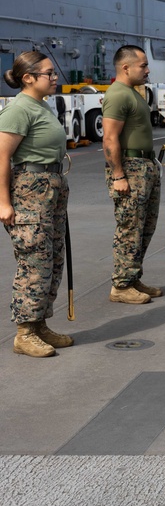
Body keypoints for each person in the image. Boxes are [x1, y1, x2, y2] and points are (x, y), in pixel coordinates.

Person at [0, 51, 72, 356]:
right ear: (28, 78)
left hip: (51, 188)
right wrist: (4, 203)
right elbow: (2, 157)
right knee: (34, 261)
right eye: (48, 73)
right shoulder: (18, 109)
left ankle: (40, 323)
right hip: (31, 190)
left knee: (53, 258)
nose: (54, 78)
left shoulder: (40, 106)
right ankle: (24, 332)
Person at [102, 45, 161, 303]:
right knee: (129, 227)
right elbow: (109, 138)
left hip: (145, 167)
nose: (147, 70)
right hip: (130, 168)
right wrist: (118, 175)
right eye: (143, 65)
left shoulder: (132, 93)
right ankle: (121, 285)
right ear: (126, 68)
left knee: (145, 227)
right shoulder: (118, 94)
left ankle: (133, 277)